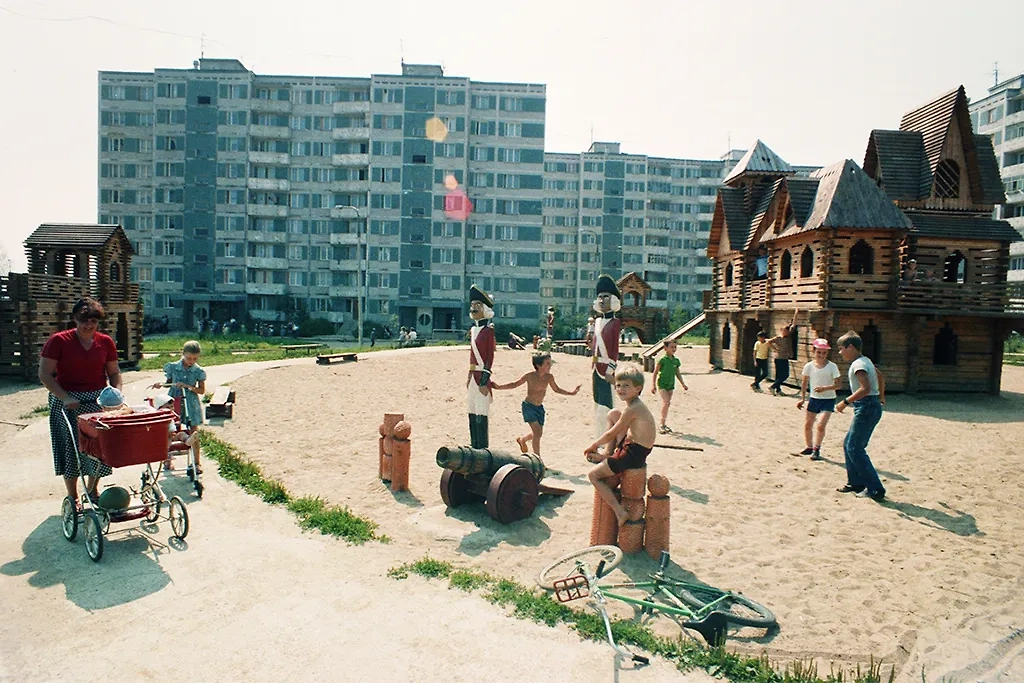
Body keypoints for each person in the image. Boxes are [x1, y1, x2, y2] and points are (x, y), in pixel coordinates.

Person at [38, 297, 121, 508]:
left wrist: (116, 396)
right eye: (84, 320)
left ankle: (93, 490)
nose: (89, 325)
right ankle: (73, 496)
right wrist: (65, 397)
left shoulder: (105, 342)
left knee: (98, 449)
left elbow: (114, 373)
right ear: (75, 319)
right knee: (72, 449)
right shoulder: (59, 341)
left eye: (93, 320)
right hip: (67, 401)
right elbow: (45, 374)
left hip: (97, 401)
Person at [583, 365, 656, 526]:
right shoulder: (634, 404)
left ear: (638, 389)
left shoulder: (633, 409)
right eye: (618, 385)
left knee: (593, 476)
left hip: (633, 453)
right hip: (634, 444)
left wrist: (593, 445)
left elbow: (611, 433)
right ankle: (608, 454)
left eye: (626, 386)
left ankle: (619, 512)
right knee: (613, 413)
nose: (620, 389)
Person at [492, 351, 580, 456]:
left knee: (538, 434)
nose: (550, 365)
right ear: (538, 365)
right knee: (537, 433)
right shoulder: (530, 376)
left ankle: (522, 440)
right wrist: (498, 387)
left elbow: (556, 389)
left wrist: (571, 393)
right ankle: (537, 459)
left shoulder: (549, 377)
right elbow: (515, 384)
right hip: (528, 406)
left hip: (539, 408)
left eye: (550, 363)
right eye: (547, 363)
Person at [835, 331, 887, 501]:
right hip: (869, 406)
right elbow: (879, 376)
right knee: (848, 444)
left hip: (866, 407)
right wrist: (881, 396)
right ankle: (855, 482)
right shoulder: (866, 361)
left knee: (855, 448)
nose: (840, 352)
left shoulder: (858, 365)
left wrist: (845, 402)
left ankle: (875, 489)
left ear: (850, 347)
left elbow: (864, 388)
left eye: (842, 349)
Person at [152, 340, 206, 473]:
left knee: (193, 431)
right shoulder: (173, 367)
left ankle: (197, 462)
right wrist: (161, 384)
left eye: (194, 358)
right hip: (174, 400)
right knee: (170, 429)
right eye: (188, 358)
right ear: (183, 354)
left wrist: (188, 386)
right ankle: (167, 459)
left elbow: (201, 390)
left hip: (190, 402)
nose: (191, 361)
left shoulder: (198, 371)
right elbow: (168, 383)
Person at [794, 338, 841, 461]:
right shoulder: (809, 366)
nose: (821, 355)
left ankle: (817, 449)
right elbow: (804, 383)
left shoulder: (832, 366)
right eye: (819, 352)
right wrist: (802, 399)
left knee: (820, 425)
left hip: (828, 399)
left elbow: (839, 385)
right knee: (808, 424)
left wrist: (825, 388)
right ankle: (809, 447)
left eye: (824, 353)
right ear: (814, 351)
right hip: (814, 399)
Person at [590, 275, 622, 437]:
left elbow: (615, 350)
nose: (602, 300)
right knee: (597, 403)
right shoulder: (596, 322)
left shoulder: (615, 323)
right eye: (600, 297)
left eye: (606, 297)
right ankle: (599, 434)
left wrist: (611, 370)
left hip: (606, 369)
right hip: (595, 367)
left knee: (606, 404)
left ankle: (608, 436)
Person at [466, 284, 496, 448]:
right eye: (472, 305)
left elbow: (489, 358)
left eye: (477, 305)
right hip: (472, 376)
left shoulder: (488, 331)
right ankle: (473, 444)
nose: (474, 308)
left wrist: (484, 380)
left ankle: (482, 447)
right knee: (471, 410)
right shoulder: (473, 330)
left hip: (481, 377)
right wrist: (469, 377)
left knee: (481, 413)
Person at [651, 340, 688, 433]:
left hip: (671, 385)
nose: (674, 349)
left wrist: (683, 384)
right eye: (671, 347)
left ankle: (664, 423)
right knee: (666, 402)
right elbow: (655, 372)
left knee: (667, 404)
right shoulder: (662, 360)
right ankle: (661, 424)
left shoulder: (676, 361)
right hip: (662, 384)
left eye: (675, 347)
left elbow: (677, 373)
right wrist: (653, 385)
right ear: (665, 348)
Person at [768, 309, 799, 396]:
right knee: (783, 375)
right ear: (782, 330)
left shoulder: (788, 337)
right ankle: (774, 387)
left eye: (787, 331)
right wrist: (774, 349)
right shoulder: (778, 338)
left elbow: (794, 325)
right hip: (779, 358)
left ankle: (777, 389)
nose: (786, 332)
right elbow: (768, 342)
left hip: (784, 358)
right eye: (785, 330)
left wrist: (796, 313)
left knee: (783, 375)